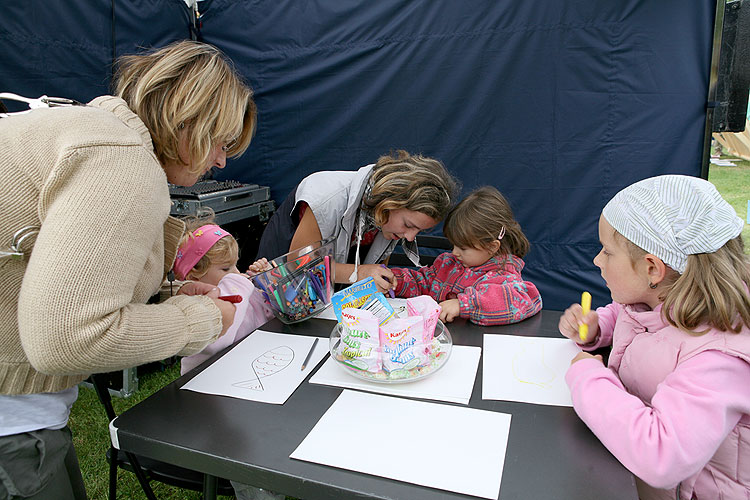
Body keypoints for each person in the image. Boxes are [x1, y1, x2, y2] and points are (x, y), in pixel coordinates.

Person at [0, 40, 256, 499]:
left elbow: (68, 269)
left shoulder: (91, 132)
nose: (220, 160)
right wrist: (200, 320)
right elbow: (67, 338)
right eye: (221, 142)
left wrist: (162, 290)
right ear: (189, 119)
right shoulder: (120, 160)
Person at [558, 175, 750, 500]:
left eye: (607, 252)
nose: (597, 260)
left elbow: (662, 455)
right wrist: (596, 328)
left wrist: (587, 376)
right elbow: (629, 315)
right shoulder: (661, 296)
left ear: (652, 269)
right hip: (630, 474)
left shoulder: (721, 354)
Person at [255, 150, 459, 293]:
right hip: (279, 292)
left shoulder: (389, 219)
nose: (410, 236)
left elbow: (373, 271)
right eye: (408, 225)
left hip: (324, 298)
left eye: (418, 231)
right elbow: (299, 267)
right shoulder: (326, 197)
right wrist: (360, 272)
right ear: (389, 201)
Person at [389, 186, 542, 326]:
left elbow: (527, 299)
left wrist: (463, 305)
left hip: (474, 349)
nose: (455, 252)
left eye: (462, 247)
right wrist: (395, 280)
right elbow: (423, 283)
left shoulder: (504, 275)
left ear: (491, 246)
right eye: (453, 244)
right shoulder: (448, 264)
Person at [174, 221, 274, 375]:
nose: (235, 272)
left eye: (236, 265)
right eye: (226, 268)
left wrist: (268, 283)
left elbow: (268, 316)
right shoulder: (195, 308)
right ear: (195, 276)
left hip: (248, 366)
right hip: (207, 380)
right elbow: (218, 341)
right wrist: (239, 284)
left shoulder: (236, 289)